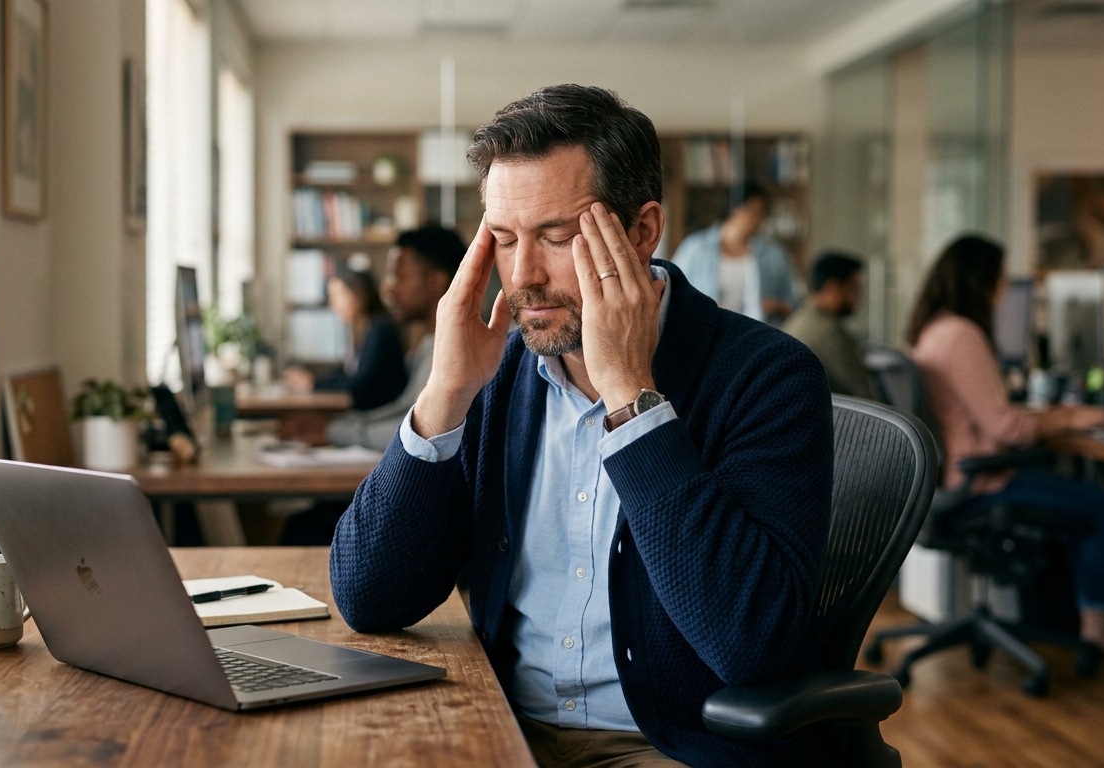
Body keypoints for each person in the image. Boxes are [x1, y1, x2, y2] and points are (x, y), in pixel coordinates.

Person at [330, 85, 843, 766]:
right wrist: (445, 395)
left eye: (555, 236)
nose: (524, 276)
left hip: (668, 747)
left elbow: (748, 640)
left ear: (641, 231)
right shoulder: (501, 373)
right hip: (498, 727)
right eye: (505, 241)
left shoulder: (769, 376)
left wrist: (631, 399)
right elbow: (369, 597)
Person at [907, 234, 1104, 655]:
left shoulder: (932, 330)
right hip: (982, 481)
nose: (1004, 291)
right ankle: (1098, 628)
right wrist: (1072, 417)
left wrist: (1049, 416)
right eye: (1001, 280)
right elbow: (1008, 429)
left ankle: (1082, 617)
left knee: (1075, 496)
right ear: (980, 281)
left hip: (952, 479)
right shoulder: (962, 334)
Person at [326, 225, 464, 450]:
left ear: (436, 281)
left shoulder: (457, 349)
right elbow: (405, 410)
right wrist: (341, 425)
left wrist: (333, 431)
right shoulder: (430, 342)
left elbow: (419, 430)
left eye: (400, 277)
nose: (389, 289)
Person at [670, 182, 795, 325]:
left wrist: (776, 306)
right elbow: (674, 293)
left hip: (757, 337)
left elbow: (794, 303)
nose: (760, 218)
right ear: (734, 209)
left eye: (762, 212)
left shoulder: (773, 255)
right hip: (707, 334)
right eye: (754, 211)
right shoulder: (696, 248)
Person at [289, 267, 407, 412]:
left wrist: (314, 385)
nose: (332, 304)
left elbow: (361, 384)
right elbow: (349, 374)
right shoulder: (363, 330)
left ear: (359, 295)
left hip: (378, 417)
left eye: (338, 295)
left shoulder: (379, 331)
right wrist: (313, 380)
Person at [782, 251, 873, 399]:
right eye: (854, 287)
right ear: (833, 287)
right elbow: (866, 402)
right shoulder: (830, 334)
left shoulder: (798, 319)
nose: (859, 297)